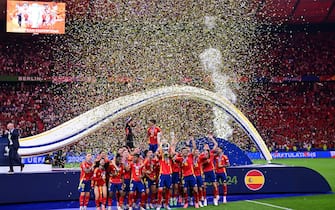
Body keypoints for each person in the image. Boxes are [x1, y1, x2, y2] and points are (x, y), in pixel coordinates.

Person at [201, 134, 219, 206]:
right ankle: (205, 199)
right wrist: (205, 162)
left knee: (214, 185)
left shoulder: (211, 153)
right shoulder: (202, 155)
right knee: (204, 186)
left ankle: (215, 199)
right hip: (205, 172)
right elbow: (201, 164)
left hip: (211, 171)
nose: (206, 147)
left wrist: (211, 138)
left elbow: (216, 144)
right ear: (203, 148)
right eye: (205, 146)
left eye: (207, 146)